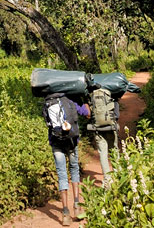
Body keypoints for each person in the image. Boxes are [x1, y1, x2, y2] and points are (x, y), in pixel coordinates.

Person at [42, 92, 89, 225]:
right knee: (74, 170)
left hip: (56, 142)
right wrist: (85, 101)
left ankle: (65, 214)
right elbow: (87, 113)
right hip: (72, 142)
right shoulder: (71, 100)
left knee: (62, 174)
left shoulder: (48, 102)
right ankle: (77, 207)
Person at [87, 85, 120, 188]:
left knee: (103, 153)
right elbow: (117, 115)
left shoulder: (92, 96)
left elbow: (88, 114)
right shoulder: (111, 97)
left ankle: (107, 180)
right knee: (114, 150)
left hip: (97, 129)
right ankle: (118, 176)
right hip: (110, 128)